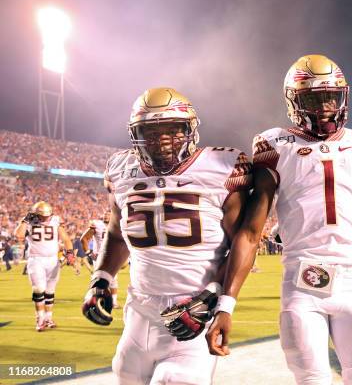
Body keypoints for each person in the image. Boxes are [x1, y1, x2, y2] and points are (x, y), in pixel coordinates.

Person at [206, 54, 352, 384]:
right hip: (302, 284)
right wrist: (226, 304)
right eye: (313, 98)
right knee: (311, 378)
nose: (323, 107)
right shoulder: (275, 144)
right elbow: (251, 232)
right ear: (295, 101)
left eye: (330, 97)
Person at [81, 88, 251, 384]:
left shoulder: (222, 167)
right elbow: (117, 233)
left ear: (190, 130)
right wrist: (102, 278)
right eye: (150, 131)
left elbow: (243, 242)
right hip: (138, 313)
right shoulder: (121, 169)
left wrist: (213, 299)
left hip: (191, 313)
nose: (161, 140)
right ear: (136, 134)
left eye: (171, 130)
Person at [14, 201, 74, 331]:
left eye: (48, 215)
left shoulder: (56, 221)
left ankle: (48, 318)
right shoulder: (29, 222)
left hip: (52, 260)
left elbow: (66, 239)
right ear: (35, 214)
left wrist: (69, 252)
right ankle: (39, 319)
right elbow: (18, 235)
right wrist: (24, 221)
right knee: (39, 289)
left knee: (50, 291)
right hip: (36, 259)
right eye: (43, 216)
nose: (46, 218)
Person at [80, 211, 121, 308]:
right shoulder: (97, 225)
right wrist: (89, 253)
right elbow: (84, 239)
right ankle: (91, 298)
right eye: (105, 214)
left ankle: (113, 302)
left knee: (114, 279)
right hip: (99, 256)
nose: (106, 216)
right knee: (99, 278)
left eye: (108, 214)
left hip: (112, 255)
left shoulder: (117, 225)